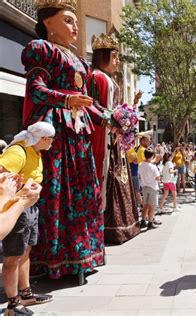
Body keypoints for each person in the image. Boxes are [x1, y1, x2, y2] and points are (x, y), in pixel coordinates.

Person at [23, 2, 105, 282]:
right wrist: (67, 99)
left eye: (75, 22)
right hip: (56, 132)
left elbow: (86, 101)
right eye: (68, 20)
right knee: (60, 193)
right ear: (48, 23)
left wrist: (111, 119)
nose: (75, 27)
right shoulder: (42, 50)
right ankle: (55, 259)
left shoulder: (79, 60)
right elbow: (36, 90)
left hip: (78, 131)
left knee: (83, 192)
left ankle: (83, 254)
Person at [88, 33, 140, 244]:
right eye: (115, 57)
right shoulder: (97, 77)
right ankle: (108, 227)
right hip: (105, 136)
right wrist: (114, 121)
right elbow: (94, 105)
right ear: (104, 57)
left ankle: (122, 226)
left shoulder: (110, 80)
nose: (118, 61)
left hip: (115, 139)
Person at [0, 122, 55, 315]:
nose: (52, 143)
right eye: (51, 139)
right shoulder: (18, 151)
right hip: (17, 207)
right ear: (43, 138)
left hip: (29, 207)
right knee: (13, 256)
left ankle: (25, 293)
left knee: (25, 252)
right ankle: (13, 304)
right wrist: (18, 191)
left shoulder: (35, 151)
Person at [138, 148, 162, 231]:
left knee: (145, 205)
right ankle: (150, 222)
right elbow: (158, 178)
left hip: (144, 186)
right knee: (151, 207)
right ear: (152, 156)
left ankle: (143, 221)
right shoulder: (153, 167)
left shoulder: (140, 165)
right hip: (152, 187)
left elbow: (140, 175)